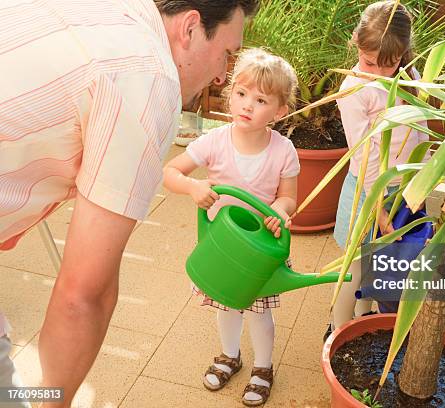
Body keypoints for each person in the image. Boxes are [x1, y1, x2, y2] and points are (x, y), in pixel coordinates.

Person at [0, 0, 259, 406]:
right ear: (190, 27)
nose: (223, 74)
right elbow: (83, 295)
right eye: (226, 52)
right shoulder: (149, 76)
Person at [162, 48, 299, 406]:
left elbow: (289, 199)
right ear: (230, 93)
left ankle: (264, 368)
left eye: (260, 99)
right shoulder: (214, 141)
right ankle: (230, 356)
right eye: (241, 94)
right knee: (227, 306)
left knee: (259, 311)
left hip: (259, 249)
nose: (247, 105)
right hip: (223, 248)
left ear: (280, 110)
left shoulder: (284, 151)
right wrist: (194, 186)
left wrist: (278, 211)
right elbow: (170, 173)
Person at [328, 0, 430, 337]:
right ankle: (339, 328)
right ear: (356, 42)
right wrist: (378, 208)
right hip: (369, 190)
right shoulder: (355, 89)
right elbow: (363, 156)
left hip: (404, 190)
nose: (380, 72)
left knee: (385, 261)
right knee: (356, 265)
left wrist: (422, 179)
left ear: (402, 54)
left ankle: (366, 317)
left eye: (391, 64)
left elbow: (419, 131)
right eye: (370, 62)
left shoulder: (409, 76)